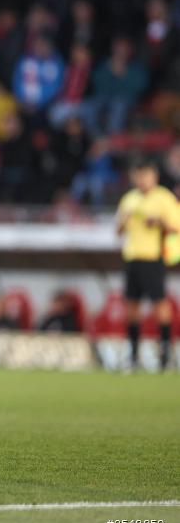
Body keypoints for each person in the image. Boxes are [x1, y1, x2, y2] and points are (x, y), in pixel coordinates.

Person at [116, 158, 177, 371]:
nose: (142, 180)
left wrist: (159, 222)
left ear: (154, 177)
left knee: (160, 303)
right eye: (139, 176)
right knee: (131, 307)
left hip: (153, 257)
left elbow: (176, 227)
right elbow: (118, 232)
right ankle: (133, 355)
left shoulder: (164, 198)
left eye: (146, 176)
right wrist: (123, 221)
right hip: (132, 257)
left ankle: (166, 354)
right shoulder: (129, 200)